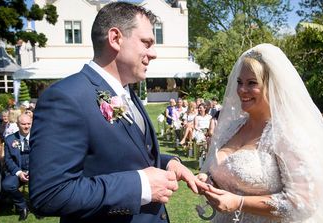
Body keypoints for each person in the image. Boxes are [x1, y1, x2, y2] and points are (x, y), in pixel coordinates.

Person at [29, 2, 204, 223]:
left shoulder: (127, 92)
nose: (154, 53)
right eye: (146, 43)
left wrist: (168, 162)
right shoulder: (66, 98)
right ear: (115, 38)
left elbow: (122, 156)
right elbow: (49, 194)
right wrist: (139, 186)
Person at [197, 44, 323, 222]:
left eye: (252, 83)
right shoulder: (233, 127)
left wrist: (240, 202)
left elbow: (303, 203)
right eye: (239, 82)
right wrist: (211, 181)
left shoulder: (288, 134)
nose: (241, 90)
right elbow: (229, 174)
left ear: (272, 86)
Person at [2, 114, 36, 221]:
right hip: (18, 171)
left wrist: (33, 171)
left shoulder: (38, 138)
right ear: (17, 124)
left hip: (35, 171)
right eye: (23, 124)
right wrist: (19, 173)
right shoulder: (9, 139)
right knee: (7, 185)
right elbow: (8, 160)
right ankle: (23, 207)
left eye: (28, 124)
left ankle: (38, 207)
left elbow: (43, 157)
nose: (26, 126)